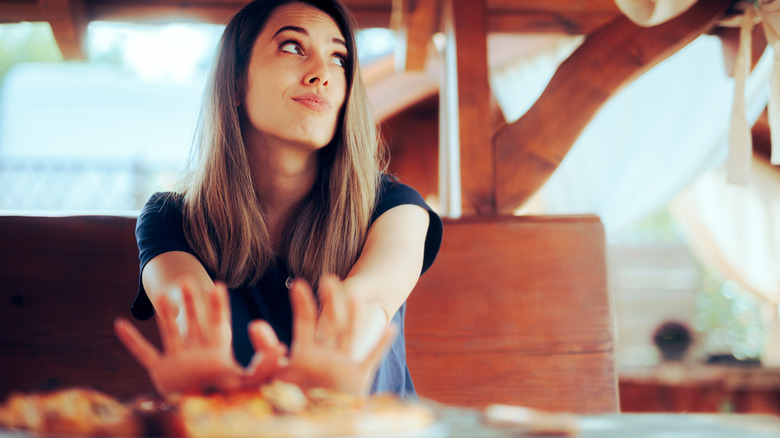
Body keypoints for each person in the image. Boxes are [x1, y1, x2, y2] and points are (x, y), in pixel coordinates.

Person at [113, 0, 442, 399]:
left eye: (339, 58)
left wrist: (327, 367)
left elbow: (366, 304)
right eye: (292, 47)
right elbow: (190, 313)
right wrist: (216, 379)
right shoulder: (170, 218)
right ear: (235, 83)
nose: (322, 73)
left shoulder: (396, 207)